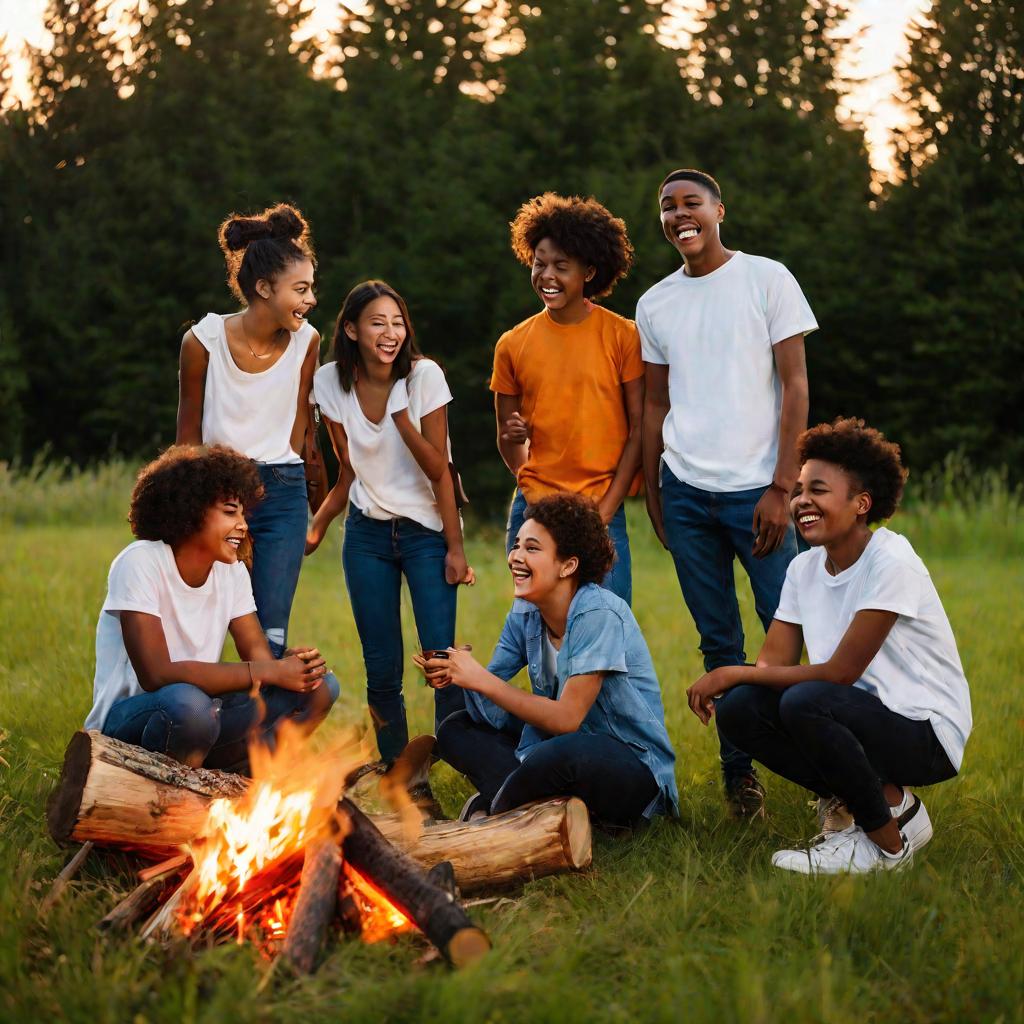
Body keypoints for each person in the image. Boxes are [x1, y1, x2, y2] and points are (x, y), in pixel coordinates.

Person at [686, 418, 972, 873]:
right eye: (799, 490)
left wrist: (732, 671)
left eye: (817, 490)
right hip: (858, 716)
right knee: (742, 708)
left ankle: (887, 846)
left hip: (926, 732)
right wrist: (743, 682)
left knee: (805, 701)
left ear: (861, 503)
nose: (801, 501)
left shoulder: (891, 559)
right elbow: (772, 665)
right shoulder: (804, 569)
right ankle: (879, 804)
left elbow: (840, 673)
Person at [638, 168, 817, 817]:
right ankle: (740, 779)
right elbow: (654, 404)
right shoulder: (655, 303)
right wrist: (657, 495)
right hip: (685, 494)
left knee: (787, 629)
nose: (679, 214)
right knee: (718, 641)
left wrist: (781, 485)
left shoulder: (767, 279)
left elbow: (795, 386)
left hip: (758, 495)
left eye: (691, 203)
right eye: (667, 206)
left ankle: (827, 771)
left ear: (719, 210)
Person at [424, 493, 678, 828]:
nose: (515, 556)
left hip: (628, 766)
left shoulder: (598, 612)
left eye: (532, 548)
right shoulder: (527, 611)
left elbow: (567, 720)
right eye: (516, 545)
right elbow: (492, 702)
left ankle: (495, 813)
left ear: (568, 565)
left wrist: (480, 679)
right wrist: (456, 672)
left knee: (563, 752)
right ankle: (545, 809)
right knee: (455, 728)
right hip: (555, 751)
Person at [87, 445, 339, 772]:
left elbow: (259, 660)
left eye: (244, 514)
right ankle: (162, 796)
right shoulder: (140, 562)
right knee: (191, 707)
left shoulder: (230, 570)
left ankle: (249, 781)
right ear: (191, 509)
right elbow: (156, 674)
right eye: (230, 512)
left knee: (320, 687)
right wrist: (268, 670)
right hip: (135, 722)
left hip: (201, 716)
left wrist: (290, 665)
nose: (243, 525)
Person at [305, 280, 474, 766]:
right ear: (353, 329)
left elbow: (440, 471)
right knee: (381, 669)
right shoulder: (331, 382)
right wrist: (316, 527)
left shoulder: (424, 378)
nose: (390, 332)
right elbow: (347, 471)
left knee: (442, 662)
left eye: (398, 322)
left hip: (427, 533)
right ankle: (401, 776)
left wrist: (455, 549)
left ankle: (468, 764)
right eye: (377, 322)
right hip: (366, 536)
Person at [177, 203, 320, 659]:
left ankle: (261, 730)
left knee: (270, 634)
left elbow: (300, 424)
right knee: (202, 623)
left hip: (283, 494)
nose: (311, 299)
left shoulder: (308, 341)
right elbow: (186, 437)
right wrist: (195, 505)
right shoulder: (203, 341)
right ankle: (198, 723)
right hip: (216, 492)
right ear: (263, 288)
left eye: (311, 288)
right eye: (301, 289)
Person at [491, 192, 643, 605]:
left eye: (562, 266)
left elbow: (639, 430)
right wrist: (516, 442)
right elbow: (508, 440)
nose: (548, 275)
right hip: (535, 508)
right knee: (536, 633)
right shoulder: (512, 344)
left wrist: (607, 509)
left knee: (607, 627)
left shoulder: (622, 335)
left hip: (600, 510)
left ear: (589, 271)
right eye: (540, 263)